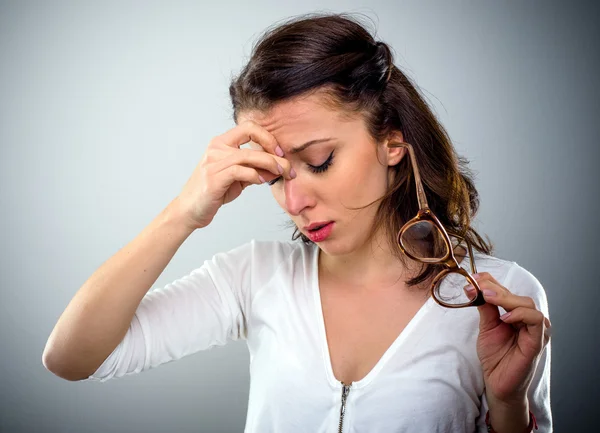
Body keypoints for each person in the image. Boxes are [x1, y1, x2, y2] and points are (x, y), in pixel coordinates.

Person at [42, 13, 552, 433]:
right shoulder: (255, 276)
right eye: (274, 176)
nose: (294, 200)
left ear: (392, 142)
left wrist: (509, 410)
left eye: (321, 160)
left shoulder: (496, 296)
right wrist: (183, 213)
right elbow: (72, 358)